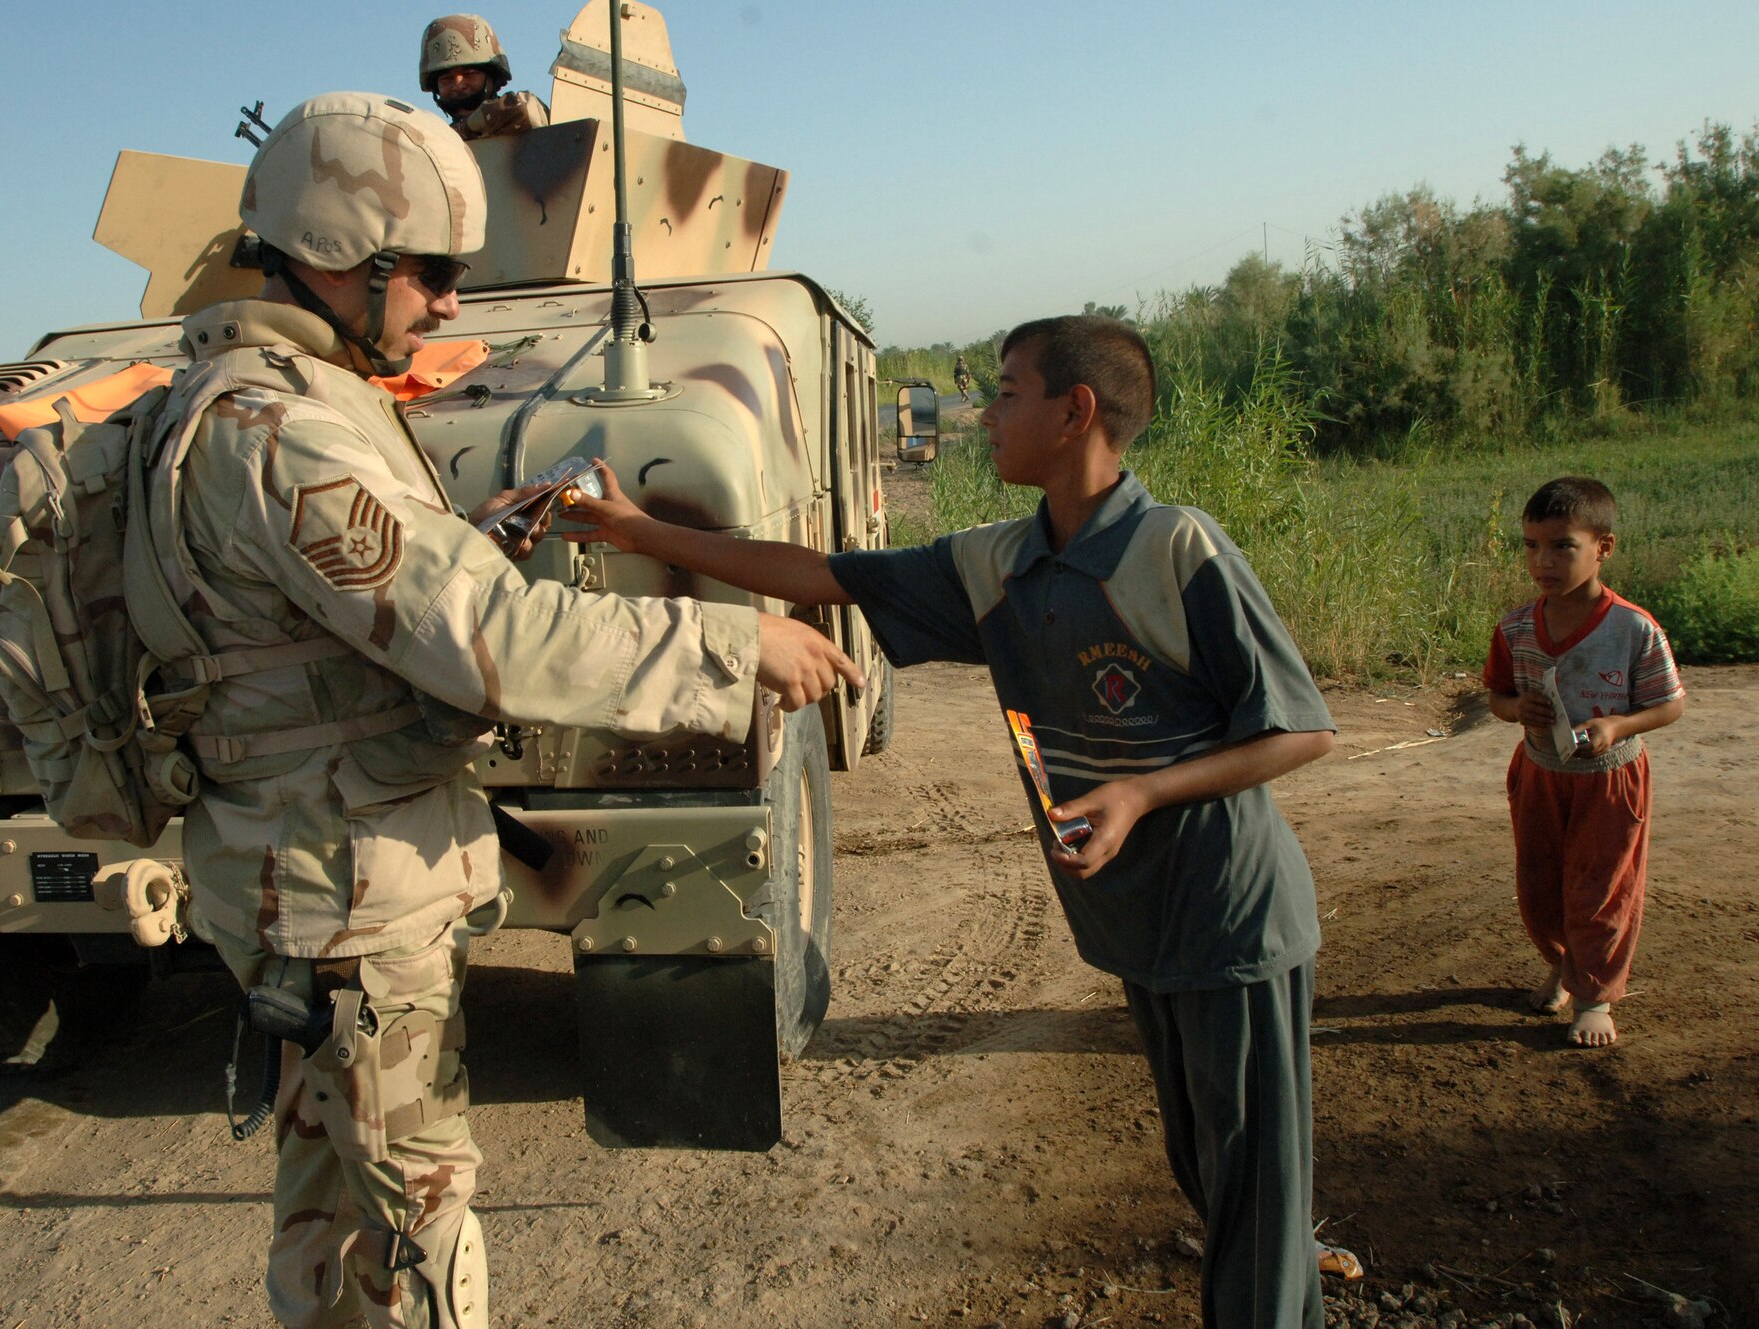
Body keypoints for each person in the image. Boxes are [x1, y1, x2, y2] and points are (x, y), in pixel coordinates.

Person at [158, 92, 858, 1329]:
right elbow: (492, 641)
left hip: (295, 874)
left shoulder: (232, 395)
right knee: (421, 1221)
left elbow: (358, 609)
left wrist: (462, 546)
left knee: (325, 1195)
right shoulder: (287, 434)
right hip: (349, 896)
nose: (449, 307)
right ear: (335, 263)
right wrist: (733, 640)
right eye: (426, 273)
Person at [565, 313, 1344, 1327]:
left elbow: (1300, 730)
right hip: (1138, 927)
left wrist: (1142, 793)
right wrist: (635, 532)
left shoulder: (1174, 549)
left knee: (1253, 1198)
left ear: (1075, 414)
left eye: (1007, 392)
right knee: (1210, 1172)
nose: (983, 413)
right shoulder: (1000, 563)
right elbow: (819, 575)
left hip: (1229, 919)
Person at [1483, 477, 1685, 1049]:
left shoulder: (1631, 629)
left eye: (1562, 546)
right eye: (1531, 546)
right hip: (1540, 775)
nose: (1543, 561)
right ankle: (1563, 964)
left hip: (1610, 780)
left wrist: (1616, 726)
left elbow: (1670, 704)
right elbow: (1497, 696)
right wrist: (1516, 707)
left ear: (1604, 547)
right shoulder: (1517, 628)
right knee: (1539, 886)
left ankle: (1594, 995)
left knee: (1600, 888)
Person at [421, 14, 551, 141]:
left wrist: (458, 133)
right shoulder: (437, 145)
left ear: (492, 77)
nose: (458, 85)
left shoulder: (517, 117)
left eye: (469, 74)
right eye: (446, 79)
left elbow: (526, 109)